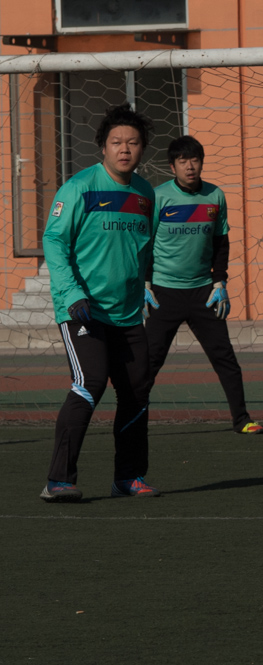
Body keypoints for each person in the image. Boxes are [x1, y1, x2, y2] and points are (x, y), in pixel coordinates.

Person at [40, 104, 161, 502]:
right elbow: (54, 241)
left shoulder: (145, 194)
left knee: (136, 391)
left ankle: (128, 477)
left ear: (142, 149)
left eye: (133, 142)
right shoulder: (79, 188)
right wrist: (72, 292)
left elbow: (143, 247)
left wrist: (145, 285)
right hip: (82, 309)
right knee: (89, 384)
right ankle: (58, 480)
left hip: (127, 314)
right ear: (102, 148)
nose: (125, 149)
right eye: (116, 142)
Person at [144, 135, 263, 435]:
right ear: (172, 166)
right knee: (148, 362)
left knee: (225, 358)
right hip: (163, 292)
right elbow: (144, 243)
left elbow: (221, 242)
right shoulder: (159, 197)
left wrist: (219, 280)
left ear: (201, 163)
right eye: (183, 161)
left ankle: (242, 420)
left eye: (195, 160)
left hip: (203, 292)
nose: (190, 166)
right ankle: (133, 421)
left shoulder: (215, 196)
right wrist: (143, 283)